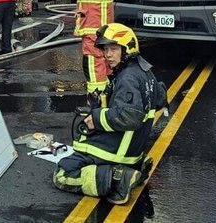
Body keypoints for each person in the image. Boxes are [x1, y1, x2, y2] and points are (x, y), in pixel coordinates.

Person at [53, 23, 167, 204]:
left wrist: (96, 119)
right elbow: (160, 99)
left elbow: (130, 116)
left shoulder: (127, 77)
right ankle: (132, 168)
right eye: (106, 49)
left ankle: (118, 179)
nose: (108, 55)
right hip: (133, 150)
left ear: (128, 49)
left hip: (118, 150)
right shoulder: (145, 73)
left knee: (63, 173)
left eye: (114, 49)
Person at [65, 0, 118, 105]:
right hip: (98, 27)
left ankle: (96, 98)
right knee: (101, 63)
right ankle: (103, 96)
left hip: (93, 29)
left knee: (93, 65)